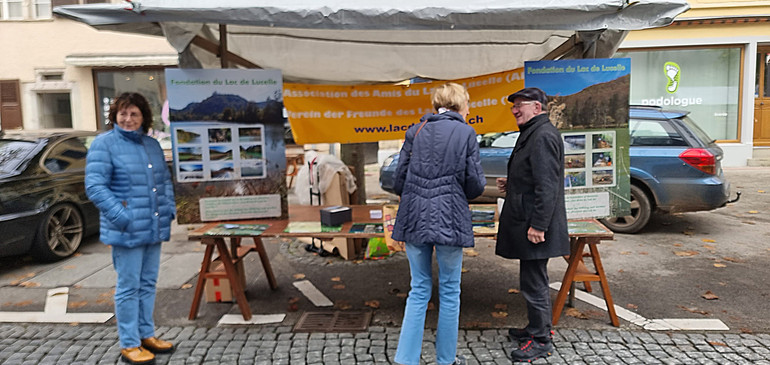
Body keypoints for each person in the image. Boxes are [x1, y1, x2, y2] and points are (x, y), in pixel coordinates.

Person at [392, 83, 486, 365]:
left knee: (418, 288)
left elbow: (399, 180)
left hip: (415, 217)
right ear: (461, 106)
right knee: (450, 291)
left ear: (437, 106)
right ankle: (445, 360)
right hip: (450, 218)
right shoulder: (466, 133)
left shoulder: (415, 130)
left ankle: (406, 360)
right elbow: (476, 184)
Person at [86, 92, 176, 365]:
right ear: (114, 115)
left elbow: (164, 183)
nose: (128, 118)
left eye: (134, 114)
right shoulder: (104, 144)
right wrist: (122, 217)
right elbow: (95, 187)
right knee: (128, 287)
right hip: (126, 230)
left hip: (153, 226)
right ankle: (129, 343)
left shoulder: (152, 145)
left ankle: (146, 334)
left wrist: (169, 210)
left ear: (143, 117)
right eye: (123, 113)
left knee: (147, 283)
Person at [495, 87, 569, 363]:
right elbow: (534, 176)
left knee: (535, 282)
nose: (515, 110)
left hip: (535, 224)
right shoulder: (534, 132)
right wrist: (512, 184)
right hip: (528, 219)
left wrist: (538, 225)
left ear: (537, 107)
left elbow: (547, 186)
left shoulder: (542, 136)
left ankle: (540, 340)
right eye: (513, 105)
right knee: (531, 278)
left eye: (520, 105)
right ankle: (536, 328)